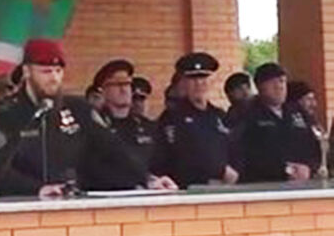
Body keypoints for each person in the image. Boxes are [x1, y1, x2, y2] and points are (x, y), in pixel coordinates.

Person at [0, 40, 173, 198]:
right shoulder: (7, 114)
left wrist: (147, 179)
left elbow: (114, 151)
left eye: (58, 71)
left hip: (70, 206)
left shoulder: (77, 109)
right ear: (26, 71)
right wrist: (36, 189)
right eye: (46, 72)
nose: (54, 78)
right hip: (23, 211)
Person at [151, 52, 238, 188]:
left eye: (203, 78)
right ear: (184, 83)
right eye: (193, 78)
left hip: (222, 189)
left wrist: (235, 171)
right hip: (188, 190)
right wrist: (220, 170)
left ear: (211, 81)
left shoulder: (219, 116)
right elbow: (182, 156)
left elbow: (233, 149)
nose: (198, 83)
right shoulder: (172, 117)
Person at [82, 59, 156, 190]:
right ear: (103, 91)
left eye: (127, 84)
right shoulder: (95, 127)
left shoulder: (146, 126)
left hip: (146, 193)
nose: (123, 89)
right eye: (116, 85)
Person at [235, 64, 314, 184]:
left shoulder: (297, 111)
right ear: (259, 86)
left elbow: (314, 143)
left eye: (282, 81)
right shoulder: (246, 114)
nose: (279, 87)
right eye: (273, 82)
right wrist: (285, 170)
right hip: (264, 184)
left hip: (303, 182)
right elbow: (243, 154)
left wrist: (310, 168)